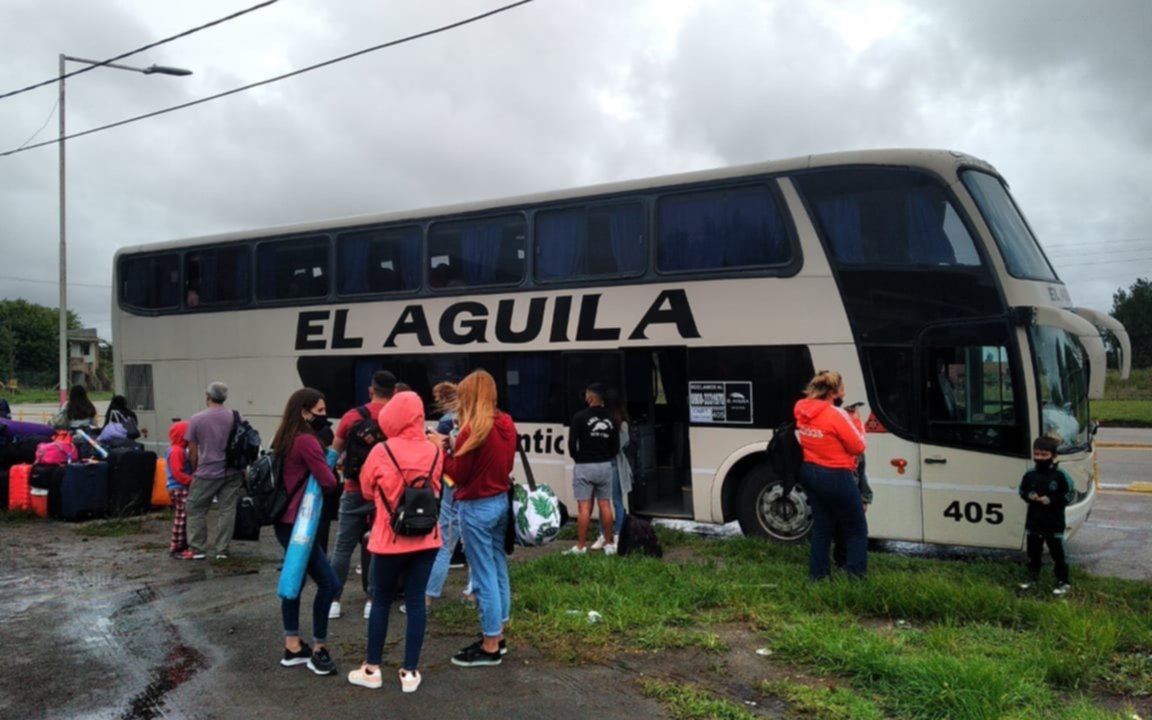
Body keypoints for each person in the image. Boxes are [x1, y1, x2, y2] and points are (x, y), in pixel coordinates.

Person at [348, 390, 443, 692]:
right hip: (427, 538)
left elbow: (365, 489)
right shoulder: (435, 451)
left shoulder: (381, 450)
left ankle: (372, 669)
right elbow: (437, 486)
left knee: (381, 600)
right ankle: (410, 673)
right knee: (416, 602)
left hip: (388, 541)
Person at [429, 369, 517, 667]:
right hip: (500, 501)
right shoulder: (505, 423)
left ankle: (490, 643)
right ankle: (500, 631)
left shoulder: (472, 430)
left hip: (476, 506)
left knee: (482, 575)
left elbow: (456, 474)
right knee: (497, 566)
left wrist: (441, 451)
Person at [270, 387, 341, 676]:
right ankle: (319, 648)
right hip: (302, 523)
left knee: (295, 580)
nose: (324, 417)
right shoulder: (308, 442)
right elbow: (328, 482)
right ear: (305, 412)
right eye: (320, 411)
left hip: (284, 520)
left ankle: (293, 645)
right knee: (329, 583)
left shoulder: (284, 437)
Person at [328, 370, 397, 620]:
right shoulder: (398, 418)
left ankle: (333, 601)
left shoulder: (351, 416)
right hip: (387, 493)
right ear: (394, 392)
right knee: (379, 547)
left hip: (354, 489)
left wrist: (325, 476)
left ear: (371, 390)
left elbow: (334, 452)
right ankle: (373, 600)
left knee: (343, 547)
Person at [794, 370, 867, 580]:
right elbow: (858, 446)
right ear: (834, 392)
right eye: (842, 389)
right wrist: (856, 422)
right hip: (836, 475)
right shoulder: (836, 414)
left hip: (810, 472)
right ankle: (855, 578)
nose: (845, 392)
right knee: (856, 528)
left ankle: (818, 576)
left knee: (822, 527)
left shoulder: (802, 409)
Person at [181, 381, 245, 561]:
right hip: (232, 470)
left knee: (195, 508)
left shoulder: (197, 419)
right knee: (227, 509)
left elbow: (193, 450)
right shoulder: (234, 416)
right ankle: (222, 549)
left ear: (207, 396)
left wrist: (195, 470)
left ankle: (197, 548)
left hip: (207, 471)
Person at [425, 381, 469, 608]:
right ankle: (472, 592)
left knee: (445, 543)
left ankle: (429, 595)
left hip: (451, 486)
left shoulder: (446, 422)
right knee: (476, 545)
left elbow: (439, 454)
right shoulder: (476, 419)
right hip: (473, 489)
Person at [564, 383, 619, 556]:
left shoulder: (579, 417)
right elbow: (615, 447)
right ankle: (609, 544)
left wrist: (578, 458)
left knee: (584, 508)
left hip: (584, 466)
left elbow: (572, 444)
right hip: (604, 466)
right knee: (606, 505)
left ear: (590, 397)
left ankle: (581, 547)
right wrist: (605, 456)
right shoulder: (611, 418)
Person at [1018, 436, 1075, 595]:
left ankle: (1063, 582)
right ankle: (1032, 579)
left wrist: (1051, 500)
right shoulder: (1029, 474)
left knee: (1058, 555)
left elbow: (1070, 494)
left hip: (1054, 523)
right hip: (1034, 523)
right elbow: (1021, 491)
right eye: (1037, 454)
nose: (1039, 458)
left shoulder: (1060, 475)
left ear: (1053, 456)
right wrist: (1030, 495)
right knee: (1033, 554)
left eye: (1044, 455)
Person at [592, 387, 631, 549]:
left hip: (608, 463)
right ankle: (611, 535)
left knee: (609, 501)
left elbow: (616, 446)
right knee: (611, 502)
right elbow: (623, 444)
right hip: (608, 463)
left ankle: (610, 535)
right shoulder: (620, 422)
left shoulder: (615, 423)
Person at [832, 453, 872, 570]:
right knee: (852, 532)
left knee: (843, 531)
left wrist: (864, 498)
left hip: (845, 490)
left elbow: (861, 472)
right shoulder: (855, 446)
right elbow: (861, 473)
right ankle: (849, 566)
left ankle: (842, 563)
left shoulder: (856, 451)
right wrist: (864, 498)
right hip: (847, 491)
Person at [166, 421, 193, 557]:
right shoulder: (177, 451)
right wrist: (191, 480)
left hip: (177, 486)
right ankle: (177, 544)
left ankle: (180, 543)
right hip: (180, 487)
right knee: (181, 515)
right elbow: (178, 473)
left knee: (183, 514)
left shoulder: (177, 449)